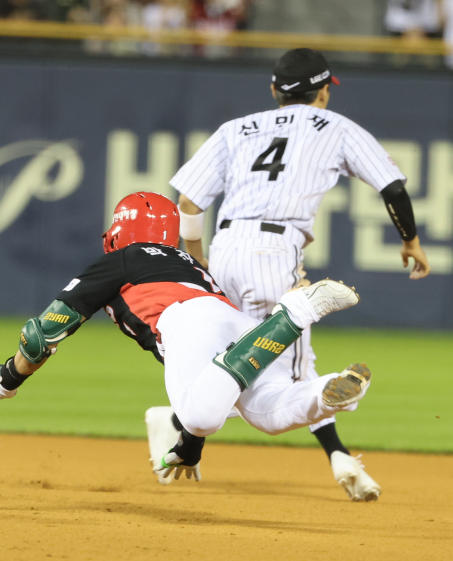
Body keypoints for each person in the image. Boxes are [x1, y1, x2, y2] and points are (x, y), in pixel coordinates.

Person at [161, 48, 431, 501]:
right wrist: (410, 240)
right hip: (274, 249)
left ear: (274, 91)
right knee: (287, 370)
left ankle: (182, 431)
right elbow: (393, 186)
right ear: (324, 91)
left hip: (225, 247)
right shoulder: (337, 127)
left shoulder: (236, 128)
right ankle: (335, 441)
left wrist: (196, 255)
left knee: (230, 353)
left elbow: (187, 202)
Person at [0, 192, 371, 484]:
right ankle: (325, 391)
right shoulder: (193, 264)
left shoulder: (120, 259)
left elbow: (42, 335)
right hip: (237, 325)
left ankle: (294, 314)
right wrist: (190, 448)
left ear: (120, 228)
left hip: (186, 324)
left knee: (200, 415)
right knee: (268, 412)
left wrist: (9, 379)